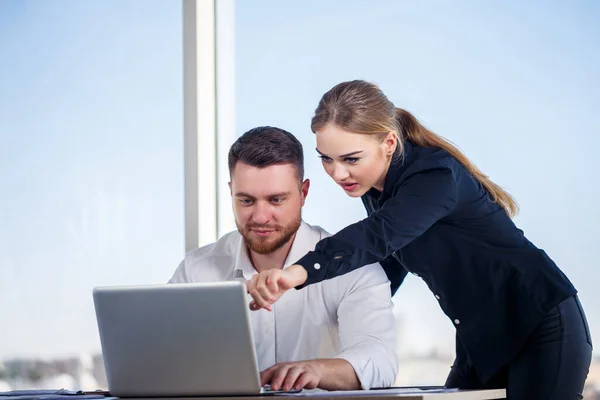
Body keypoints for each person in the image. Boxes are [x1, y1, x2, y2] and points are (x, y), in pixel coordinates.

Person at [246, 80, 593, 399]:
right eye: (326, 159)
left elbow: (377, 236)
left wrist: (295, 273)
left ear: (388, 142)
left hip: (540, 323)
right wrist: (347, 314)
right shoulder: (376, 188)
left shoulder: (434, 175)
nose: (338, 174)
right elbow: (388, 264)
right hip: (482, 338)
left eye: (351, 159)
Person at [169, 126, 399, 392]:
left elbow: (380, 362)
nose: (260, 217)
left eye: (276, 200)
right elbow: (160, 354)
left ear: (303, 193)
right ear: (231, 192)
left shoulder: (354, 267)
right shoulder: (196, 270)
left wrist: (315, 369)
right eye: (246, 201)